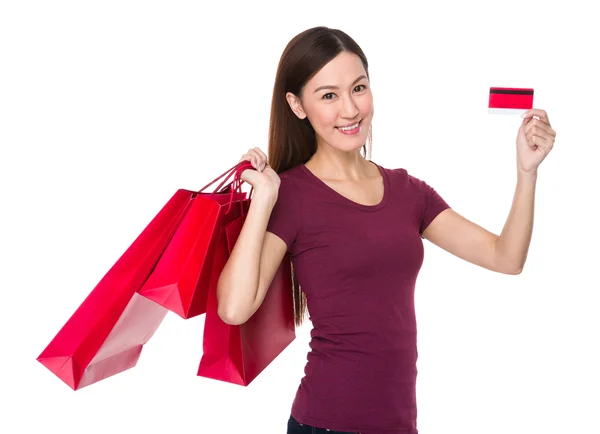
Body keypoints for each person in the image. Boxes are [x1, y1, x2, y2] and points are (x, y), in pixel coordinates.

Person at [216, 26, 556, 434]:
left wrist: (526, 172)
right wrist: (265, 198)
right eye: (329, 95)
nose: (349, 109)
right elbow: (234, 309)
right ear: (298, 105)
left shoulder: (408, 192)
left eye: (358, 88)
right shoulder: (291, 195)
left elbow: (506, 258)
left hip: (399, 424)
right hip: (327, 423)